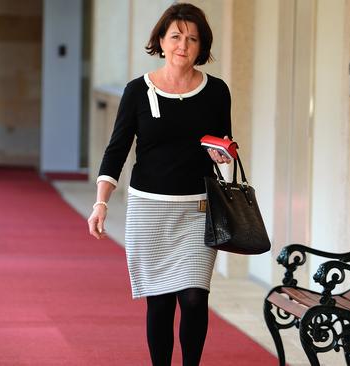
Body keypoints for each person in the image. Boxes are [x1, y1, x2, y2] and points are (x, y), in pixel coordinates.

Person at [87, 3, 232, 366]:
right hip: (149, 210)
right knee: (161, 300)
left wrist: (221, 155)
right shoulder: (138, 91)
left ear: (202, 47)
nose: (183, 44)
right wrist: (101, 202)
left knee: (195, 297)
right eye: (176, 36)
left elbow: (223, 143)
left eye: (193, 39)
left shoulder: (216, 92)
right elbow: (117, 148)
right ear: (162, 42)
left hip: (198, 209)